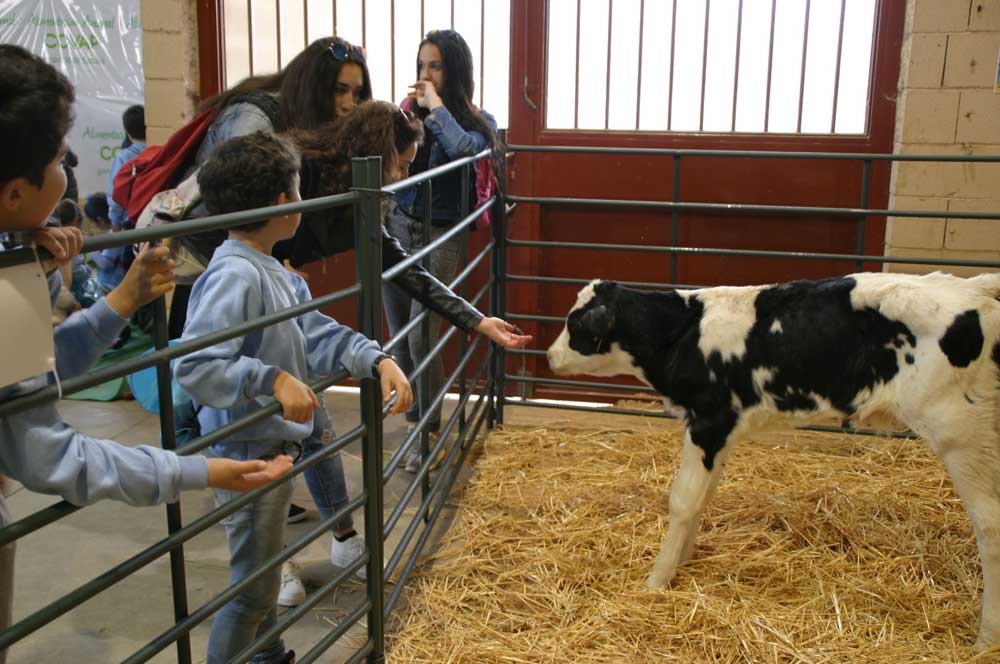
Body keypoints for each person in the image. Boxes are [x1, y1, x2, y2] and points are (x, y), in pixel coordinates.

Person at [0, 45, 293, 664]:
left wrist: (118, 300)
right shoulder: (235, 272)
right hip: (237, 443)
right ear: (14, 190)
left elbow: (32, 372)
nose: (70, 173)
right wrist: (203, 470)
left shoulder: (18, 256)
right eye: (59, 159)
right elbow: (51, 454)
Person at [174, 131, 412, 664]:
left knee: (260, 570)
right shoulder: (235, 275)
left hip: (273, 450)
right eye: (300, 190)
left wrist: (376, 358)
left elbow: (316, 333)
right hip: (243, 457)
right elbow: (196, 362)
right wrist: (271, 380)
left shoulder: (274, 271)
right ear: (285, 203)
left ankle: (269, 655)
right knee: (251, 588)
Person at [386, 29, 503, 471]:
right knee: (399, 332)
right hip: (399, 224)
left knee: (422, 333)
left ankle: (428, 434)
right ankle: (418, 425)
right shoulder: (404, 115)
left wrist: (436, 108)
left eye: (434, 66)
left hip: (442, 233)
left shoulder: (476, 120)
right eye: (421, 66)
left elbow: (467, 150)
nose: (425, 75)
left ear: (454, 71)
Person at [108, 104, 147, 229]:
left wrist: (115, 221)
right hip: (156, 216)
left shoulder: (124, 158)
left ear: (127, 131)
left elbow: (116, 194)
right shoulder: (159, 150)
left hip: (131, 221)